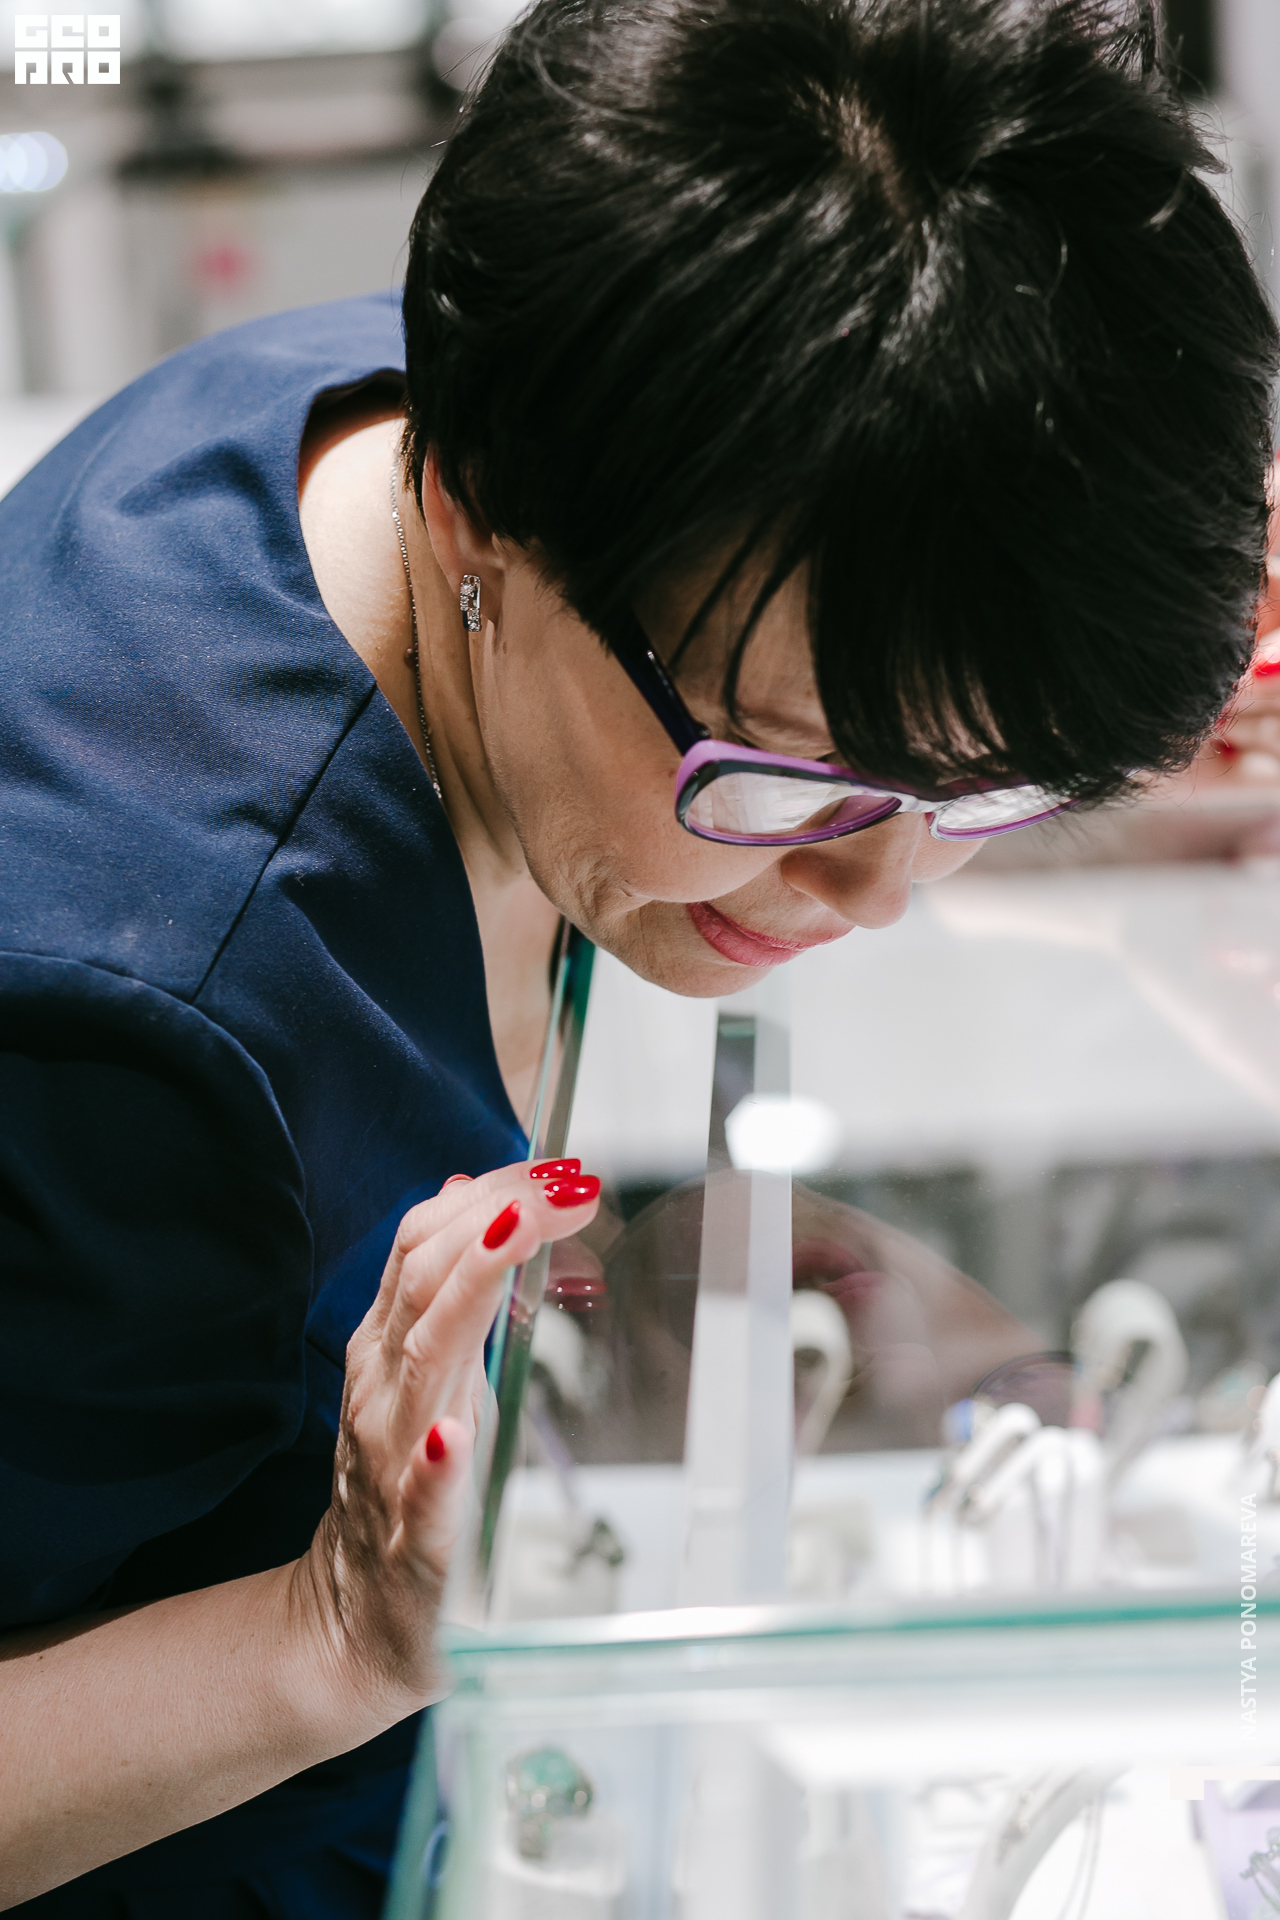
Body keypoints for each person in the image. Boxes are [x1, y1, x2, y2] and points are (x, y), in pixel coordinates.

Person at [1, 0, 1275, 1909]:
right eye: (783, 774)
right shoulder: (141, 1032)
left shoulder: (477, 390)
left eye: (983, 792)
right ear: (477, 512)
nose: (877, 891)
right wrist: (325, 1633)